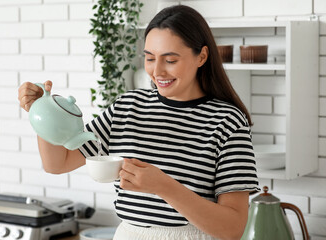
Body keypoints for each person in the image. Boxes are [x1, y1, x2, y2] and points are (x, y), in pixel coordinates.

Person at [18, 5, 259, 240]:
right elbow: (58, 163)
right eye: (150, 58)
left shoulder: (228, 121)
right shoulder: (127, 106)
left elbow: (232, 228)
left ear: (202, 56)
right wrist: (42, 112)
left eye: (170, 60)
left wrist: (164, 186)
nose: (158, 71)